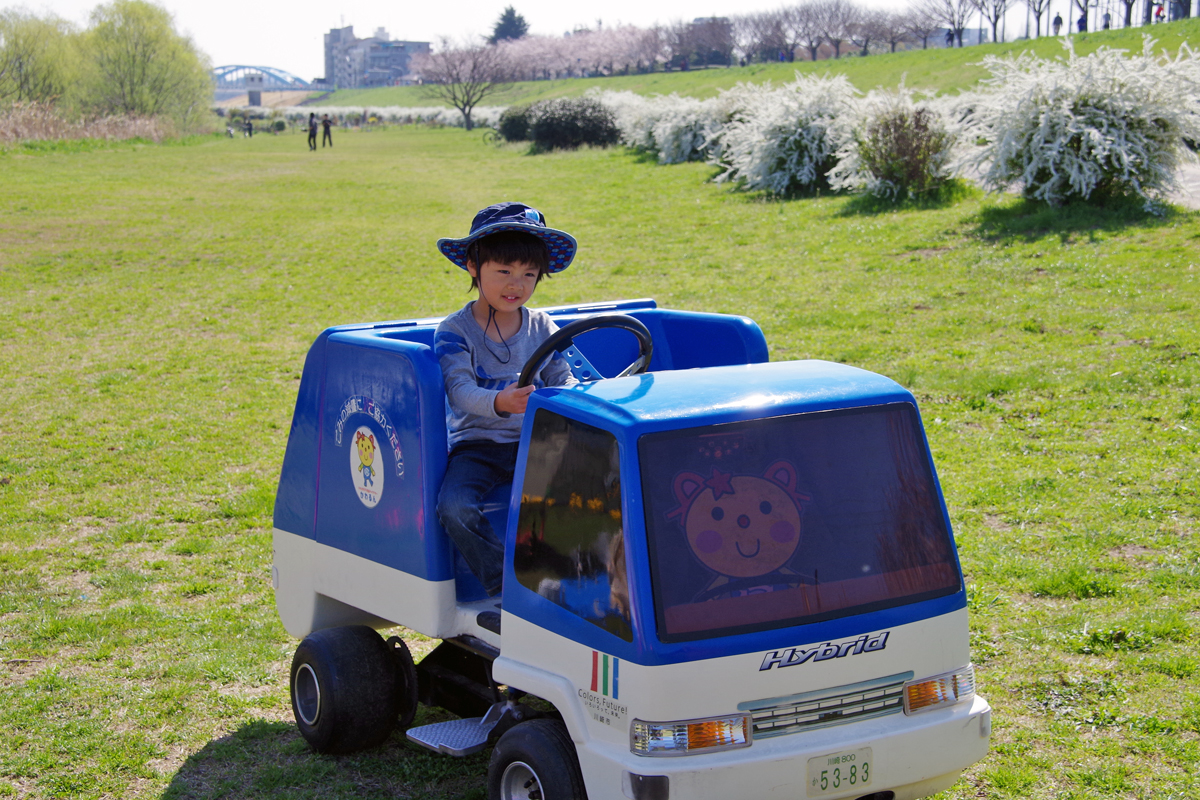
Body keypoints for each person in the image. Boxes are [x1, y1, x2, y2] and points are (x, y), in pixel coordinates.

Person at [433, 202, 578, 597]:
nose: (516, 285)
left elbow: (562, 378)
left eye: (528, 274)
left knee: (590, 492)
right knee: (455, 508)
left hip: (534, 442)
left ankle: (566, 579)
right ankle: (505, 585)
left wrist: (560, 399)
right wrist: (501, 402)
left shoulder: (542, 326)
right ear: (472, 267)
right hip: (476, 446)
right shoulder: (455, 331)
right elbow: (459, 392)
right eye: (503, 272)